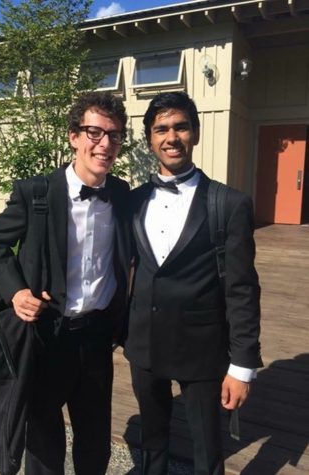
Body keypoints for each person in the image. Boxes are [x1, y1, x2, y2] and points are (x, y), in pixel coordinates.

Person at [0, 91, 131, 475]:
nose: (105, 144)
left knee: (95, 439)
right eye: (94, 132)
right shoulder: (37, 193)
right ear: (73, 136)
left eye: (114, 135)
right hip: (48, 336)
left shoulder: (121, 193)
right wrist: (16, 291)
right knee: (44, 441)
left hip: (97, 337)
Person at [124, 91, 262, 475]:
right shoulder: (131, 202)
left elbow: (242, 289)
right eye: (161, 129)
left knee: (207, 446)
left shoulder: (228, 203)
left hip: (202, 347)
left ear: (195, 133)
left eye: (181, 127)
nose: (172, 136)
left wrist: (242, 366)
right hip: (144, 343)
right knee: (151, 440)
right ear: (150, 140)